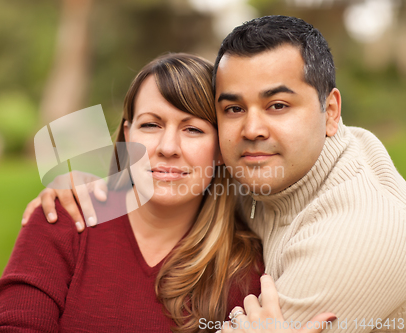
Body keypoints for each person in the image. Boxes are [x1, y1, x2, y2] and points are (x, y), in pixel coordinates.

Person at [24, 16, 406, 332]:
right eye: (234, 109)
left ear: (331, 111)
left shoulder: (361, 235)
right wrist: (93, 185)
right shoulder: (255, 169)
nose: (252, 129)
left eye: (277, 104)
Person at [0, 53, 282, 333]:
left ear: (220, 149)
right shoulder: (64, 217)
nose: (167, 148)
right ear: (128, 135)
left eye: (193, 129)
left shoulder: (246, 270)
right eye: (151, 124)